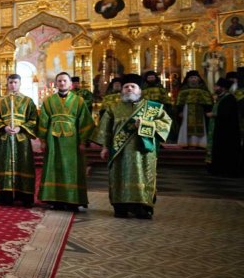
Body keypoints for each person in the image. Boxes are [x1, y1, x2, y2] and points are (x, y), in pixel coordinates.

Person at [95, 74, 172, 219]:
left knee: (143, 178)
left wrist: (145, 124)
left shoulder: (153, 108)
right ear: (122, 90)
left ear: (139, 90)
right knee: (119, 177)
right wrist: (105, 147)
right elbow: (105, 129)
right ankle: (120, 207)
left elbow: (165, 125)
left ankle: (142, 207)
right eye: (126, 87)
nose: (129, 89)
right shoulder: (113, 109)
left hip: (142, 152)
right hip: (119, 153)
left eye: (133, 86)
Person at [38, 72, 94, 211]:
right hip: (53, 139)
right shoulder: (48, 101)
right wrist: (43, 140)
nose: (62, 83)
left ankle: (73, 200)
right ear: (56, 83)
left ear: (70, 84)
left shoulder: (79, 101)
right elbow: (43, 121)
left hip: (72, 140)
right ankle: (54, 199)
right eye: (59, 81)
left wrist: (82, 141)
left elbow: (85, 122)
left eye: (64, 81)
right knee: (53, 166)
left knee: (72, 168)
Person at [0, 74, 38, 206]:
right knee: (4, 164)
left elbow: (33, 120)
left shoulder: (28, 101)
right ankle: (5, 196)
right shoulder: (0, 101)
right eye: (11, 82)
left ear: (20, 83)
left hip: (21, 139)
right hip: (5, 138)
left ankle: (24, 196)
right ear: (7, 84)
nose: (13, 85)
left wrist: (20, 128)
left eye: (15, 82)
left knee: (23, 164)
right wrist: (4, 127)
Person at [205, 78, 241, 176]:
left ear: (223, 88)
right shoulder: (221, 98)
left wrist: (213, 114)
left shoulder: (229, 98)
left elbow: (227, 113)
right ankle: (216, 169)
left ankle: (224, 170)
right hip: (220, 129)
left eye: (216, 86)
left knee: (225, 150)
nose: (214, 87)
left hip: (226, 131)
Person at [176, 70, 211, 148]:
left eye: (195, 77)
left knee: (201, 126)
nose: (193, 79)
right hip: (186, 109)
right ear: (188, 79)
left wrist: (207, 110)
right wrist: (180, 111)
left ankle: (201, 143)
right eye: (191, 78)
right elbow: (179, 102)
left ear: (198, 79)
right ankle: (186, 143)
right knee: (186, 125)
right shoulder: (183, 89)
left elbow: (208, 102)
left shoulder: (203, 89)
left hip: (200, 110)